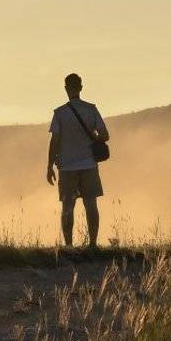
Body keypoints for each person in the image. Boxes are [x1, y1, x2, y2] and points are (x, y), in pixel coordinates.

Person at [45, 73, 109, 247]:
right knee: (91, 205)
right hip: (89, 164)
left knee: (67, 207)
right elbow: (105, 135)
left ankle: (68, 246)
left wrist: (49, 166)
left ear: (66, 89)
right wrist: (92, 136)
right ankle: (93, 244)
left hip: (66, 167)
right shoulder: (91, 109)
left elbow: (55, 141)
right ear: (81, 87)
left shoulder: (60, 113)